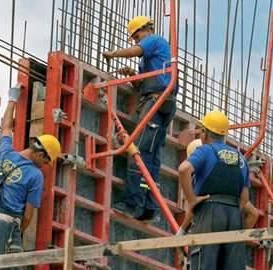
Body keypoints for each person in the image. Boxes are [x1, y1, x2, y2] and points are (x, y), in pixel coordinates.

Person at [103, 16, 177, 222]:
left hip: (156, 102)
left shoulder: (155, 40)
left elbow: (137, 51)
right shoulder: (149, 61)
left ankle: (132, 202)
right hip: (157, 101)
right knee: (151, 157)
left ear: (147, 29)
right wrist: (133, 77)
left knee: (136, 149)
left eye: (137, 36)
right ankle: (151, 207)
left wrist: (114, 54)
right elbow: (144, 85)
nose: (136, 41)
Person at [0, 84, 61, 260]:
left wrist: (12, 99)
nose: (45, 165)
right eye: (46, 160)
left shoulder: (5, 153)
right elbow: (28, 216)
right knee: (10, 264)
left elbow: (6, 127)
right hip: (7, 224)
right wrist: (16, 233)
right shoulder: (35, 175)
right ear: (39, 154)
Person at [178, 110, 252, 270]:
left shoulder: (205, 151)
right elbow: (244, 199)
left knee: (204, 263)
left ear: (205, 133)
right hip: (234, 216)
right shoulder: (241, 159)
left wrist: (192, 199)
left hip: (209, 211)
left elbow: (184, 169)